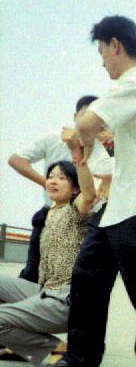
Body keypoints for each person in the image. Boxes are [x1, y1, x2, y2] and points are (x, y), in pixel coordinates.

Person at [36, 15, 136, 367]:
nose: (102, 62)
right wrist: (82, 143)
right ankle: (81, 361)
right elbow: (92, 131)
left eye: (101, 52)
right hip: (117, 205)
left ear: (115, 45)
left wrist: (79, 135)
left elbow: (87, 123)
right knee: (87, 275)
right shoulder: (132, 91)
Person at [8, 96, 112, 282]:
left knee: (69, 277)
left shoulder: (101, 154)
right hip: (50, 213)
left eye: (95, 120)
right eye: (85, 116)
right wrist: (48, 184)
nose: (88, 124)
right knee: (31, 273)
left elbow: (95, 194)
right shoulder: (53, 138)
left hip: (79, 220)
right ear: (75, 116)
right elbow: (16, 160)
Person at [0, 161, 95, 364]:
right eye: (50, 176)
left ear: (75, 189)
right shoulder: (49, 213)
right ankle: (19, 343)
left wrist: (80, 160)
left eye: (62, 178)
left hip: (65, 298)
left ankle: (54, 350)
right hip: (44, 290)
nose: (53, 181)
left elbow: (89, 195)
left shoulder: (76, 211)